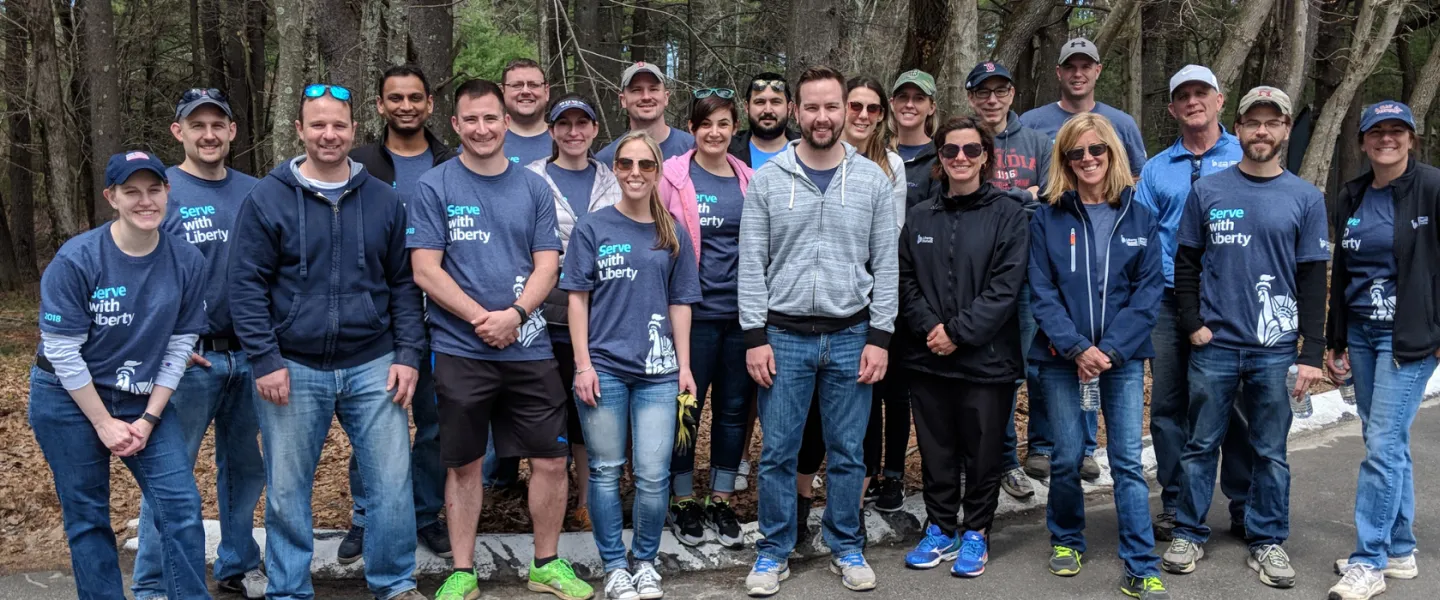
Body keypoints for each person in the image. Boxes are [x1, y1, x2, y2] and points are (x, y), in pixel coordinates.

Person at [230, 83, 427, 600]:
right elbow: (245, 284)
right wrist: (265, 358)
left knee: (390, 486)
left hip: (373, 362)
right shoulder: (268, 197)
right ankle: (289, 590)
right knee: (288, 492)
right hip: (291, 367)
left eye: (338, 125)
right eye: (317, 124)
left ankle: (394, 583)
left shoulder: (382, 199)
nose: (328, 134)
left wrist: (407, 354)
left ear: (353, 130)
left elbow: (404, 284)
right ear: (299, 130)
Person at [407, 79, 592, 600]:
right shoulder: (435, 187)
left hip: (528, 346)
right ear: (456, 125)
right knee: (464, 464)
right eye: (472, 119)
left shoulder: (533, 188)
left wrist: (514, 314)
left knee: (551, 460)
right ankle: (463, 570)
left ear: (506, 122)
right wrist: (480, 319)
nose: (483, 128)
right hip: (461, 349)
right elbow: (425, 270)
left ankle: (546, 564)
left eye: (492, 118)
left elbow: (548, 264)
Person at [739, 65, 898, 597]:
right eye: (811, 107)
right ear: (793, 111)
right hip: (782, 336)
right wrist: (754, 336)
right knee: (780, 451)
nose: (823, 117)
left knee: (848, 450)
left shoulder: (872, 180)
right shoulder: (767, 180)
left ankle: (845, 544)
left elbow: (887, 267)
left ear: (845, 111)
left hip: (852, 334)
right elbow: (752, 265)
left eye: (833, 106)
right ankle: (773, 550)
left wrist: (881, 337)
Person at [1161, 86, 1327, 590]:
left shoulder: (1305, 196)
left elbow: (1314, 278)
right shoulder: (1209, 190)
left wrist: (1312, 351)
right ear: (1238, 127)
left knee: (1270, 450)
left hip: (1274, 349)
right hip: (1216, 345)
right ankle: (1189, 531)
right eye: (1252, 122)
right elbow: (1185, 263)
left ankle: (1267, 539)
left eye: (1271, 123)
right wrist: (1192, 323)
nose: (1261, 131)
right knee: (1199, 445)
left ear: (1284, 130)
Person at [32, 150, 209, 600]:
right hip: (68, 399)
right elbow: (62, 350)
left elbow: (178, 346)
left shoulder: (187, 260)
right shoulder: (77, 259)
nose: (144, 201)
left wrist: (149, 419)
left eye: (154, 190)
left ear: (168, 192)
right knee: (88, 516)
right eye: (131, 192)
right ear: (112, 197)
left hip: (141, 395)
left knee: (180, 507)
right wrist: (102, 422)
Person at [126, 90, 266, 600]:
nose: (208, 134)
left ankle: (237, 564)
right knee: (169, 471)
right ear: (177, 131)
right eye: (197, 125)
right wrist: (166, 342)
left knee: (246, 467)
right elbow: (137, 269)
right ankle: (154, 583)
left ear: (231, 132)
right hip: (188, 358)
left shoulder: (257, 191)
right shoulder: (159, 192)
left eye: (218, 125)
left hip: (250, 354)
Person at [1028, 113, 1170, 599]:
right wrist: (1076, 348)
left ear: (1112, 153)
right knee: (1067, 457)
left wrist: (1107, 350)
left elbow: (1149, 293)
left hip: (1122, 361)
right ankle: (1067, 539)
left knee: (1128, 462)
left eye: (1097, 150)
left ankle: (1140, 560)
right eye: (1077, 153)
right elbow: (1041, 290)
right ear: (1064, 161)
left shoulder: (1140, 216)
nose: (1088, 159)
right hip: (1061, 359)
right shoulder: (1047, 216)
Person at [563, 130, 702, 600]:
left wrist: (685, 366)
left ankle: (643, 561)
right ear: (616, 169)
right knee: (604, 470)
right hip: (604, 366)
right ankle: (613, 566)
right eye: (626, 164)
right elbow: (577, 301)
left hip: (659, 374)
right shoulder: (592, 228)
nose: (636, 173)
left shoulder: (671, 232)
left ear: (658, 171)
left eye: (646, 165)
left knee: (653, 473)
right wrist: (583, 365)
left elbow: (682, 302)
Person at [895, 117, 1027, 579]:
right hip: (927, 357)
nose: (961, 160)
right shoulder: (920, 216)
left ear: (986, 156)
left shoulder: (1008, 214)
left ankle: (976, 531)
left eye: (971, 151)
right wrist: (932, 327)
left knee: (984, 452)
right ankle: (940, 527)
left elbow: (1005, 288)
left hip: (986, 360)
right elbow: (905, 280)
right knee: (937, 450)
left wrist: (959, 332)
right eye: (951, 152)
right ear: (940, 159)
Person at [1325, 100, 1440, 600]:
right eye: (1377, 132)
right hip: (1363, 335)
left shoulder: (1432, 188)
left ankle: (1369, 560)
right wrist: (1335, 338)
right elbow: (1344, 273)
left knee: (1382, 447)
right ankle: (1398, 549)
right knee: (1385, 441)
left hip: (1409, 337)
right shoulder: (1351, 195)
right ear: (1363, 140)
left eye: (1397, 131)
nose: (1386, 139)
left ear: (1412, 139)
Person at [1133, 65, 1250, 543]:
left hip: (1230, 301)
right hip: (1164, 301)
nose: (1193, 101)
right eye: (1183, 95)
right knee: (1168, 406)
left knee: (1237, 407)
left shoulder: (1246, 155)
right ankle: (1176, 501)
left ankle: (1244, 503)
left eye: (1202, 92)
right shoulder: (1159, 168)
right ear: (1172, 108)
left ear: (1220, 100)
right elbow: (1140, 235)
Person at [344, 63, 455, 565]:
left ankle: (426, 513)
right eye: (396, 98)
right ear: (380, 105)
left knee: (434, 425)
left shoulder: (449, 162)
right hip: (378, 316)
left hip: (445, 315)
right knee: (374, 421)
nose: (406, 106)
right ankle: (366, 516)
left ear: (430, 104)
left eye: (415, 98)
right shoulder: (358, 163)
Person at [660, 90, 755, 549]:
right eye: (705, 124)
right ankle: (681, 499)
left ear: (734, 128)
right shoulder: (671, 176)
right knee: (686, 409)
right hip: (691, 314)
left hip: (740, 317)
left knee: (734, 411)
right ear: (692, 129)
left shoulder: (749, 179)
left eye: (723, 124)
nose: (714, 132)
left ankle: (720, 497)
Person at [526, 92, 622, 531]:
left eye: (582, 123)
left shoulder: (614, 178)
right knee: (550, 412)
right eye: (564, 124)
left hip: (602, 318)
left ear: (595, 130)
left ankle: (586, 499)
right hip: (543, 318)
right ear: (552, 132)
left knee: (590, 408)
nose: (573, 132)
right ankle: (551, 494)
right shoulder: (529, 179)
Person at [964, 59, 1053, 500]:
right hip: (979, 276)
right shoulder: (964, 142)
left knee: (1032, 366)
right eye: (983, 92)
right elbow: (965, 197)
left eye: (1000, 90)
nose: (992, 99)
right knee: (992, 371)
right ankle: (1002, 461)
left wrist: (1010, 198)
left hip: (1030, 273)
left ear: (1012, 94)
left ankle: (1039, 448)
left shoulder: (1037, 143)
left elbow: (1051, 202)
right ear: (971, 97)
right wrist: (1022, 196)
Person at [843, 76, 909, 513]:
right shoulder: (818, 157)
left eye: (872, 108)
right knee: (860, 388)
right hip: (843, 292)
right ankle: (863, 473)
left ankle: (894, 476)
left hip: (883, 285)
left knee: (893, 388)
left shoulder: (892, 164)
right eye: (855, 106)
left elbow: (892, 232)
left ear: (881, 115)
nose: (863, 115)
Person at [1020, 37, 1146, 178]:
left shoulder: (1123, 123)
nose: (1078, 74)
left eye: (1086, 66)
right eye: (1069, 67)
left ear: (1098, 71)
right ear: (1058, 72)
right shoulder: (1030, 123)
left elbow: (1139, 177)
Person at [595, 62, 696, 165]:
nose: (646, 97)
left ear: (666, 97)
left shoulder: (694, 149)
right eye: (636, 90)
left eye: (653, 89)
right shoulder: (606, 161)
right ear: (623, 100)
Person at [729, 72, 799, 169]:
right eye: (760, 102)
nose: (768, 110)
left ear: (789, 108)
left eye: (776, 102)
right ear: (747, 107)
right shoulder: (727, 149)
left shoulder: (807, 148)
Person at [891, 69, 939, 207]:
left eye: (919, 98)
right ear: (892, 103)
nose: (909, 104)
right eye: (903, 97)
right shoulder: (878, 154)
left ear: (931, 107)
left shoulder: (939, 159)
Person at [503, 58, 555, 166]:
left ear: (546, 91)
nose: (525, 91)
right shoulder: (486, 140)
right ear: (502, 92)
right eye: (517, 85)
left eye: (534, 85)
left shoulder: (567, 140)